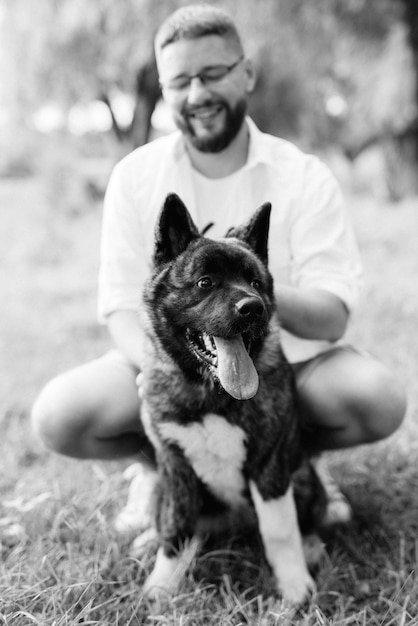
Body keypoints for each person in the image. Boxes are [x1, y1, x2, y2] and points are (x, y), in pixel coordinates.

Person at [31, 5, 406, 535]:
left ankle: (290, 462)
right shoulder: (136, 176)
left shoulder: (303, 175)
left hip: (285, 369)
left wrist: (246, 281)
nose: (197, 94)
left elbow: (333, 316)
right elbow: (119, 305)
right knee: (59, 414)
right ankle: (168, 468)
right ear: (163, 87)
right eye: (179, 80)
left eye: (213, 73)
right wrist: (164, 376)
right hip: (170, 364)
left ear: (246, 72)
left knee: (377, 399)